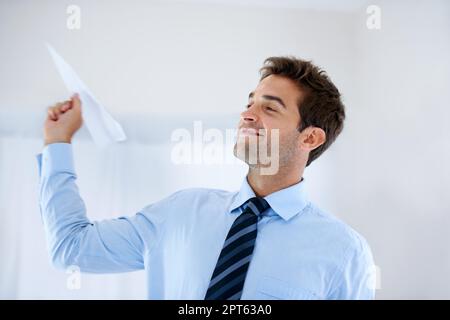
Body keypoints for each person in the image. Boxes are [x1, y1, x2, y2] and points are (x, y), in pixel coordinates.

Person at [37, 56, 375, 300]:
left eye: (269, 108)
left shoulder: (345, 252)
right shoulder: (180, 212)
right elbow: (71, 248)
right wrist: (57, 143)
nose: (246, 114)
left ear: (310, 138)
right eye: (250, 103)